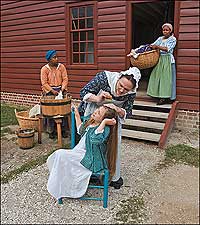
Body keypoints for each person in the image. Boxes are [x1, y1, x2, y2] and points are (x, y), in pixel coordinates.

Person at [78, 67, 141, 189]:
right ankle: (89, 173)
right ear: (118, 78)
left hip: (111, 119)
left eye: (126, 89)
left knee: (111, 146)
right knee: (92, 144)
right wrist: (97, 98)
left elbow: (128, 111)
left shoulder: (131, 93)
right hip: (94, 113)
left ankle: (110, 174)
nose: (122, 90)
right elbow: (83, 92)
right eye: (120, 85)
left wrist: (118, 109)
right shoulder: (104, 78)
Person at [47, 105, 118, 200]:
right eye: (97, 110)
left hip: (91, 160)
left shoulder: (104, 129)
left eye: (99, 113)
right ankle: (60, 182)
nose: (95, 112)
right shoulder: (91, 123)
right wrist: (77, 113)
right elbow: (80, 130)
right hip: (80, 153)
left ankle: (62, 185)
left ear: (104, 119)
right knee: (57, 155)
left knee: (60, 154)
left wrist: (104, 123)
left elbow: (95, 139)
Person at [40, 50, 69, 139]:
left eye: (57, 57)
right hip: (50, 91)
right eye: (54, 57)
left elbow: (65, 78)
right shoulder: (44, 69)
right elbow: (44, 83)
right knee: (51, 110)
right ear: (49, 60)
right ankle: (51, 130)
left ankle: (63, 129)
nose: (57, 59)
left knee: (62, 109)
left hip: (61, 89)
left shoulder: (61, 67)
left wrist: (62, 88)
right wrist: (52, 91)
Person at [147, 23, 177, 105]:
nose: (165, 31)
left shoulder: (173, 39)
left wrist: (157, 47)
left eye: (167, 30)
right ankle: (157, 94)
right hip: (160, 59)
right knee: (156, 76)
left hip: (167, 60)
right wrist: (150, 46)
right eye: (164, 30)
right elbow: (153, 44)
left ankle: (164, 97)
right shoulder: (160, 38)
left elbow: (167, 49)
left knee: (166, 79)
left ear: (170, 31)